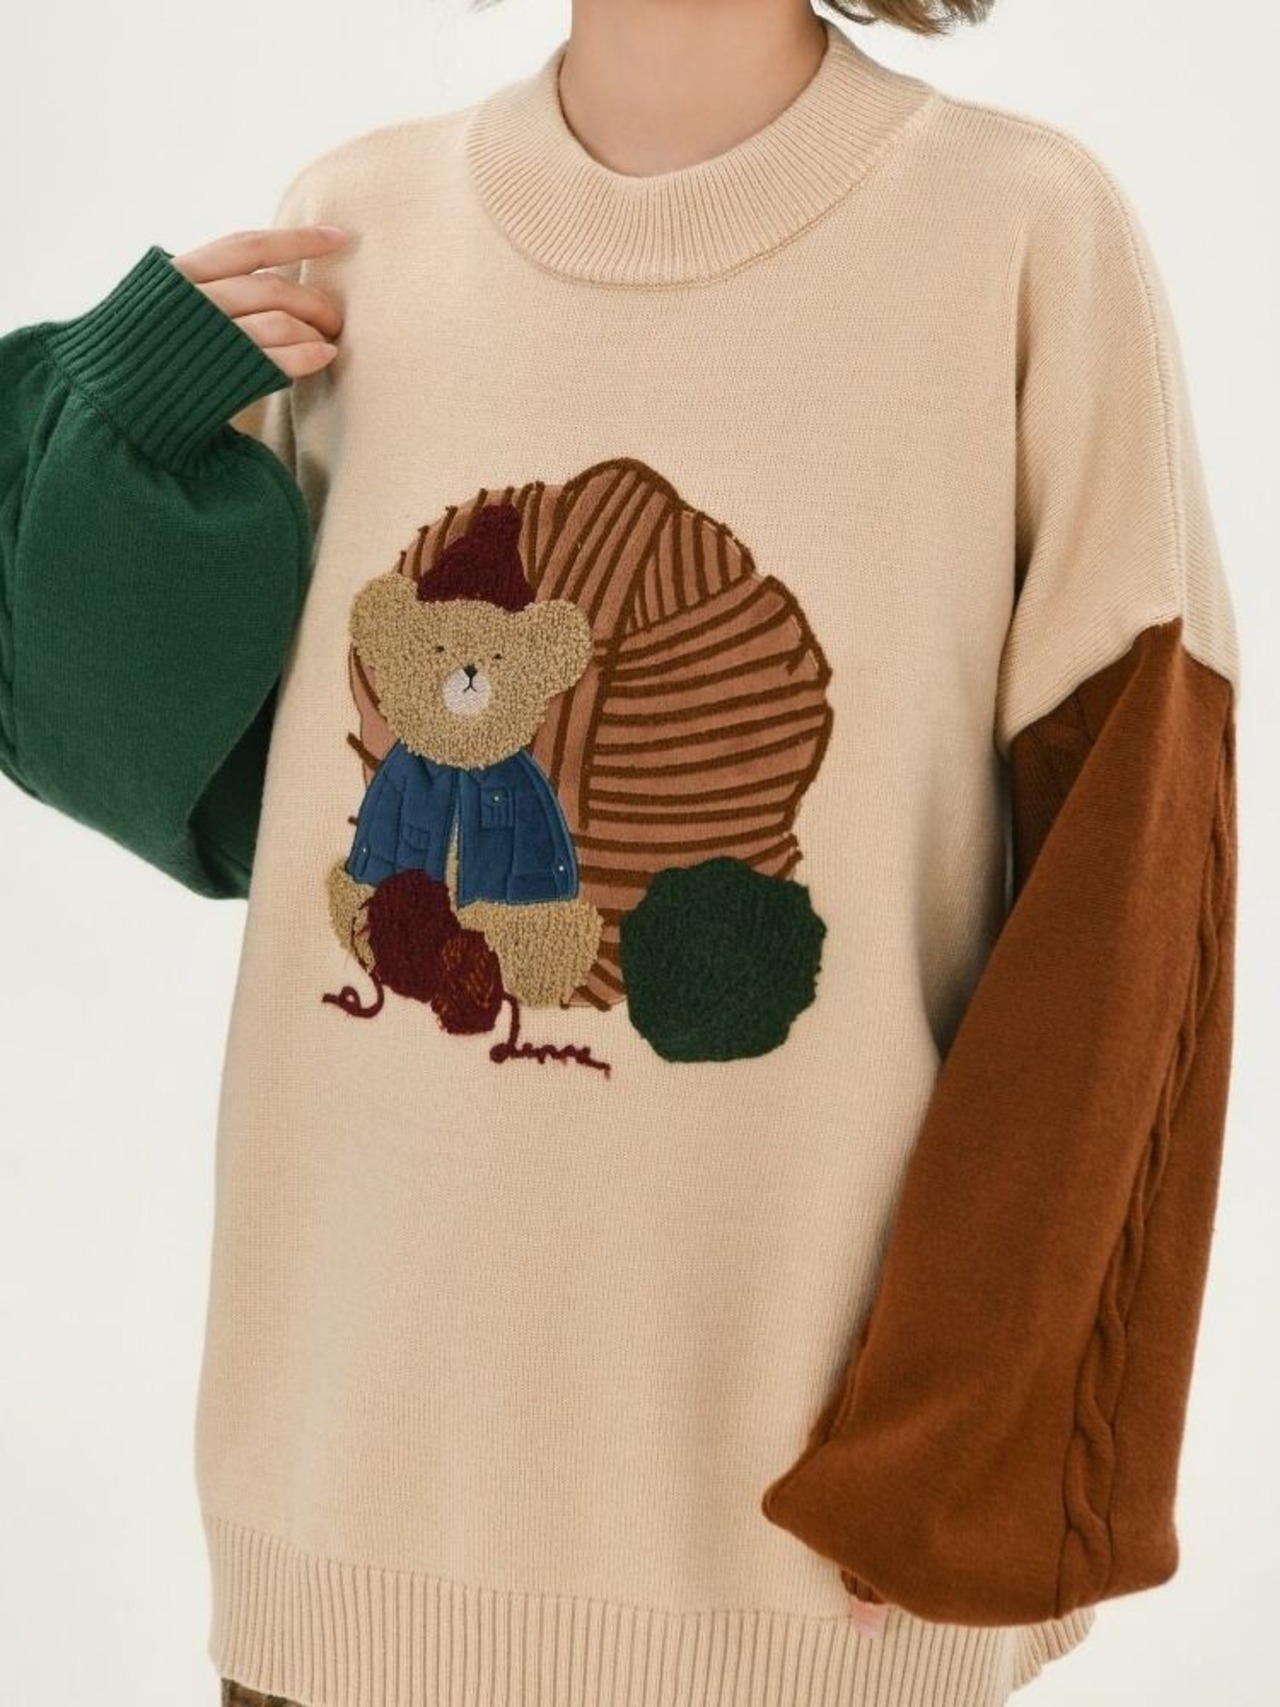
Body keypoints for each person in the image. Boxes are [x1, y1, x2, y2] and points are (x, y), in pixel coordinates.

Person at [0, 0, 1241, 1703]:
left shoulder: (1015, 234)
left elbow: (1130, 905)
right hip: (346, 1522)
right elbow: (190, 784)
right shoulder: (362, 228)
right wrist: (108, 420)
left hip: (798, 1557)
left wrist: (970, 1456)